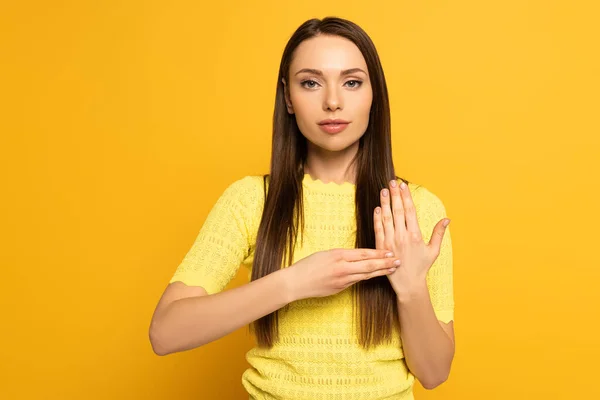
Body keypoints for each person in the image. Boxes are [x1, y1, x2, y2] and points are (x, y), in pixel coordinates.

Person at [149, 16, 455, 400]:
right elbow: (165, 332)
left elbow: (434, 372)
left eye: (352, 82)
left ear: (374, 94)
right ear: (288, 97)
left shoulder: (413, 208)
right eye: (311, 82)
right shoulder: (250, 201)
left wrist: (411, 289)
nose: (332, 101)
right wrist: (294, 282)